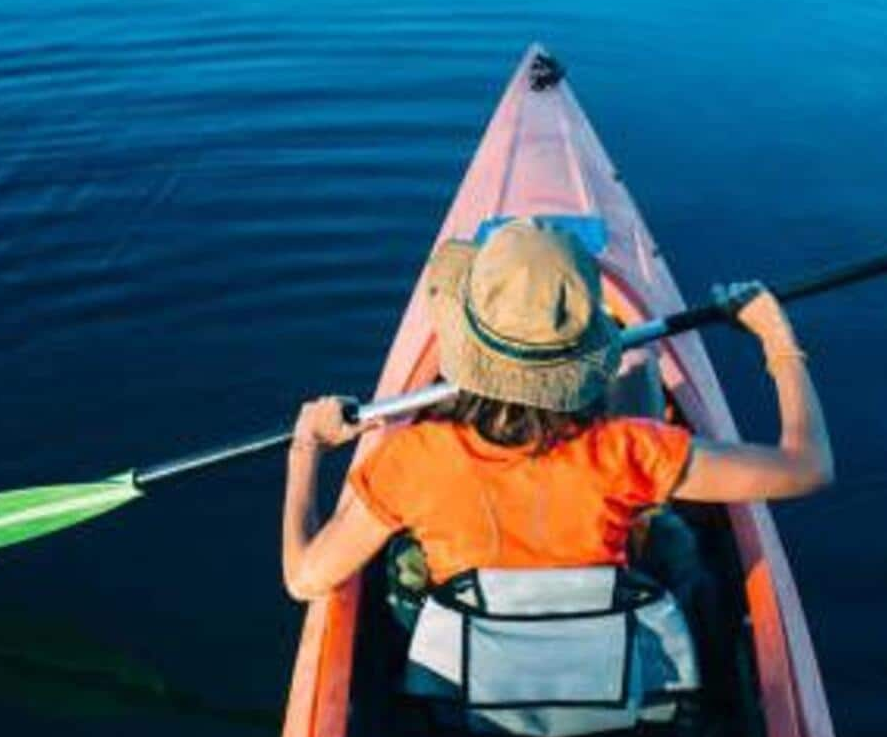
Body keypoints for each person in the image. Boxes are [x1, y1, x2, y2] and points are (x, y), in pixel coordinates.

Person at [281, 217, 833, 611]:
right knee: (674, 538)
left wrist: (307, 448)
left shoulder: (409, 461)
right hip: (608, 675)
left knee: (402, 561)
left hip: (467, 689)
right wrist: (776, 338)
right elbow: (808, 467)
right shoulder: (635, 450)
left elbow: (305, 580)